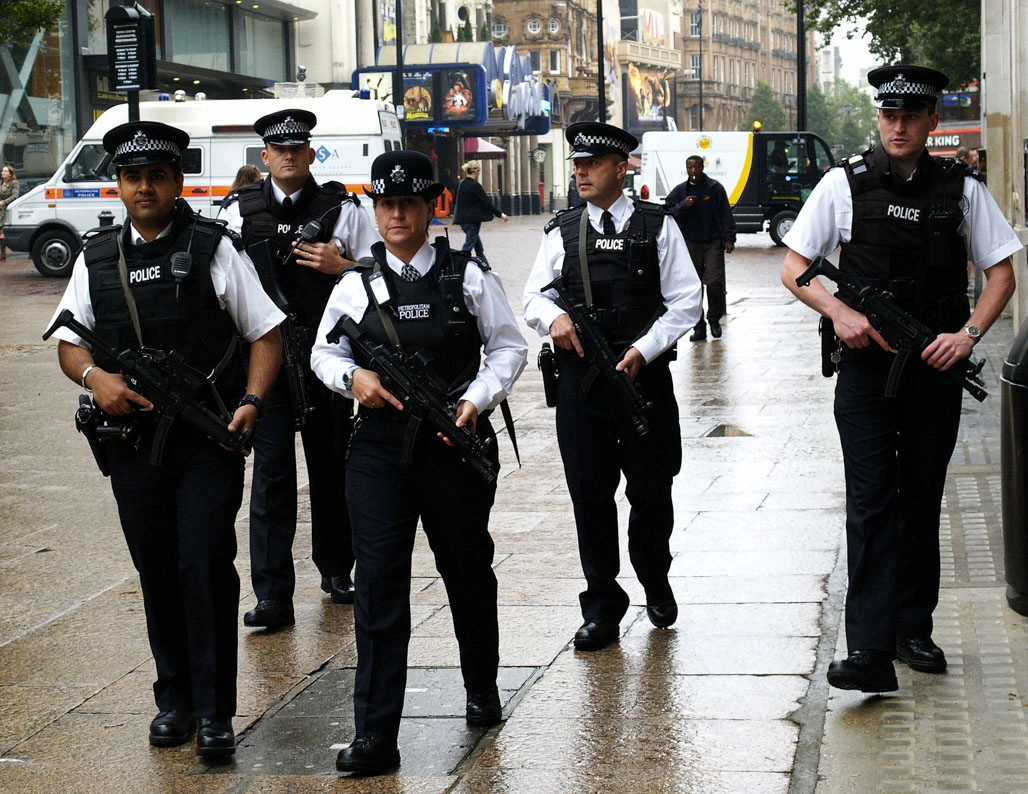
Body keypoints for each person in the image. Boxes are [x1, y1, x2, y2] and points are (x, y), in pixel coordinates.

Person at [45, 121, 284, 756]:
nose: (144, 187)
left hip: (208, 437)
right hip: (131, 441)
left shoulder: (214, 248)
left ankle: (214, 713)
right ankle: (173, 699)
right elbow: (68, 343)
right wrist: (98, 379)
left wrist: (253, 401)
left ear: (178, 182)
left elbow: (266, 333)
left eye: (157, 175)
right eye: (132, 177)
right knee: (156, 566)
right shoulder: (96, 258)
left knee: (203, 561)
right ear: (118, 185)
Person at [780, 65, 1019, 693]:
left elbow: (1002, 274)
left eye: (912, 116)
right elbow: (795, 266)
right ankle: (869, 649)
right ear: (879, 120)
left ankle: (915, 630)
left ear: (933, 122)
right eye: (890, 116)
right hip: (864, 370)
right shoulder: (842, 185)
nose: (899, 126)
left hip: (934, 367)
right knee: (871, 501)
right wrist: (842, 313)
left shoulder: (962, 191)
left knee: (920, 498)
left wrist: (966, 335)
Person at [311, 150, 527, 775]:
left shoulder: (466, 274)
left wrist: (475, 399)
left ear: (432, 206)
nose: (396, 214)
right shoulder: (355, 283)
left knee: (466, 568)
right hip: (378, 448)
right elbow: (324, 352)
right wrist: (354, 379)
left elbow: (508, 346)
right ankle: (376, 732)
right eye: (385, 204)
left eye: (408, 202)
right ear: (375, 211)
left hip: (451, 444)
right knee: (379, 587)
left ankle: (481, 686)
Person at [523, 122, 702, 652]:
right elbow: (532, 297)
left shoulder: (656, 225)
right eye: (576, 164)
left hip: (642, 380)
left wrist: (644, 349)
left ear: (621, 167)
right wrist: (553, 318)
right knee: (590, 498)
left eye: (592, 164)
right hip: (582, 385)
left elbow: (687, 300)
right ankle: (602, 604)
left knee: (652, 491)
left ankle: (654, 577)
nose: (580, 171)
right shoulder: (562, 229)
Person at [219, 109, 380, 630]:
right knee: (270, 476)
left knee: (331, 466)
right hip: (265, 361)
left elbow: (381, 274)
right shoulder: (236, 212)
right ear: (264, 157)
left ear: (311, 154)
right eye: (278, 149)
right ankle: (272, 595)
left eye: (297, 148)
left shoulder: (341, 208)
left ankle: (337, 570)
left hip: (325, 357)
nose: (288, 155)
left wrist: (344, 267)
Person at [665, 155, 737, 341]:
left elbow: (725, 214)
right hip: (689, 242)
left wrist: (729, 238)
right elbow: (668, 211)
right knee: (694, 286)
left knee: (714, 281)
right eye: (690, 167)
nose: (694, 171)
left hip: (712, 241)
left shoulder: (715, 188)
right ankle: (698, 326)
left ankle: (714, 318)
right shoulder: (681, 190)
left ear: (702, 167)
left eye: (697, 167)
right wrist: (683, 206)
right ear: (686, 169)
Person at [452, 159, 508, 264]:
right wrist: (500, 214)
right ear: (476, 171)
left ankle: (486, 269)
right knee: (467, 247)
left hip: (462, 221)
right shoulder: (475, 185)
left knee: (478, 248)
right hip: (473, 222)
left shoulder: (460, 184)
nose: (479, 173)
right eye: (479, 171)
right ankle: (459, 266)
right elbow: (486, 202)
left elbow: (454, 200)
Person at [0, 164, 20, 261]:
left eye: (5, 171)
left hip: (8, 209)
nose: (3, 173)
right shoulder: (0, 183)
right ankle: (2, 252)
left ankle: (3, 253)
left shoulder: (14, 183)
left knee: (3, 231)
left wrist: (3, 202)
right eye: (2, 171)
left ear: (10, 174)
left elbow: (15, 196)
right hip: (0, 210)